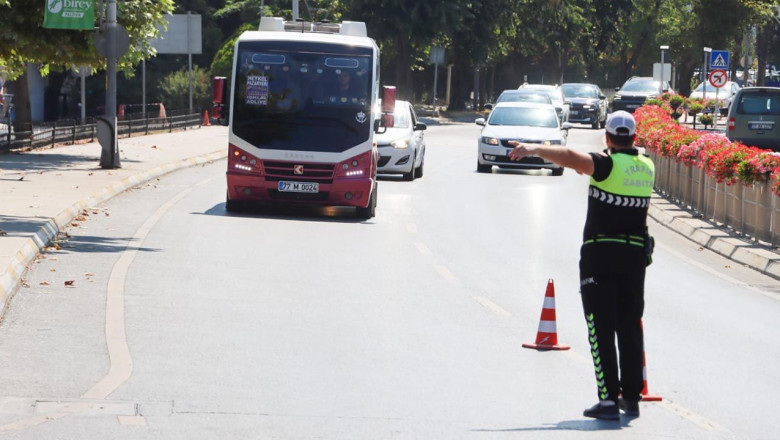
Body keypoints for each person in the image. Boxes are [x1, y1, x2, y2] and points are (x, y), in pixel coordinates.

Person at [508, 110, 655, 421]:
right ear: (634, 137)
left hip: (601, 256)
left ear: (607, 137)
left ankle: (607, 401)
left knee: (600, 327)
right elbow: (587, 166)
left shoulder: (605, 164)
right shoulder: (646, 167)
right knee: (629, 326)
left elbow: (570, 156)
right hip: (635, 258)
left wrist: (533, 148)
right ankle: (631, 398)